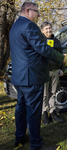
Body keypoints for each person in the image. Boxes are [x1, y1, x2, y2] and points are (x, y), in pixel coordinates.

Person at [9, 2, 67, 150]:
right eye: (37, 11)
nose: (39, 14)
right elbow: (42, 48)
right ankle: (37, 145)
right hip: (31, 76)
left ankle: (19, 137)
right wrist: (62, 58)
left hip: (19, 77)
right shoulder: (29, 26)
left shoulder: (15, 27)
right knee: (34, 111)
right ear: (28, 11)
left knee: (21, 108)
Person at [41, 21, 65, 125]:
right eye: (46, 28)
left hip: (55, 71)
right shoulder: (40, 41)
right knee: (45, 94)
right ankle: (44, 114)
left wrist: (62, 69)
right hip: (44, 71)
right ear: (42, 30)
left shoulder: (57, 41)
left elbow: (61, 56)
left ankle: (53, 113)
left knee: (53, 93)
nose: (49, 30)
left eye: (50, 28)